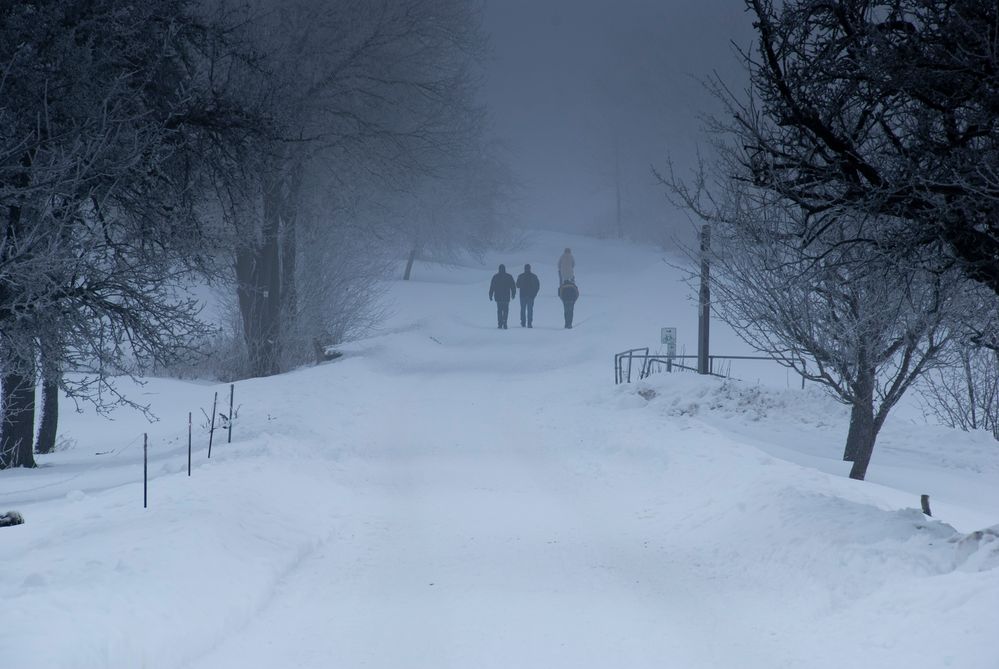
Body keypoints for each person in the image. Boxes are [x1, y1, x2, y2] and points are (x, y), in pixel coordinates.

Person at [488, 264, 516, 329]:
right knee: (506, 310)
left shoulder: (495, 277)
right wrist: (513, 294)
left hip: (498, 297)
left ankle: (500, 323)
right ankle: (505, 322)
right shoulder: (509, 276)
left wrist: (490, 294)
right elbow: (513, 286)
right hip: (506, 297)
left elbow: (492, 286)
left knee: (499, 310)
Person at [515, 263, 540, 328]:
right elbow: (537, 286)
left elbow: (517, 285)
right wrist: (534, 294)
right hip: (531, 296)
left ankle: (523, 322)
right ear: (530, 268)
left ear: (524, 269)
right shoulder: (534, 276)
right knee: (530, 309)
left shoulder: (521, 276)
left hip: (522, 295)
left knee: (523, 309)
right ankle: (529, 323)